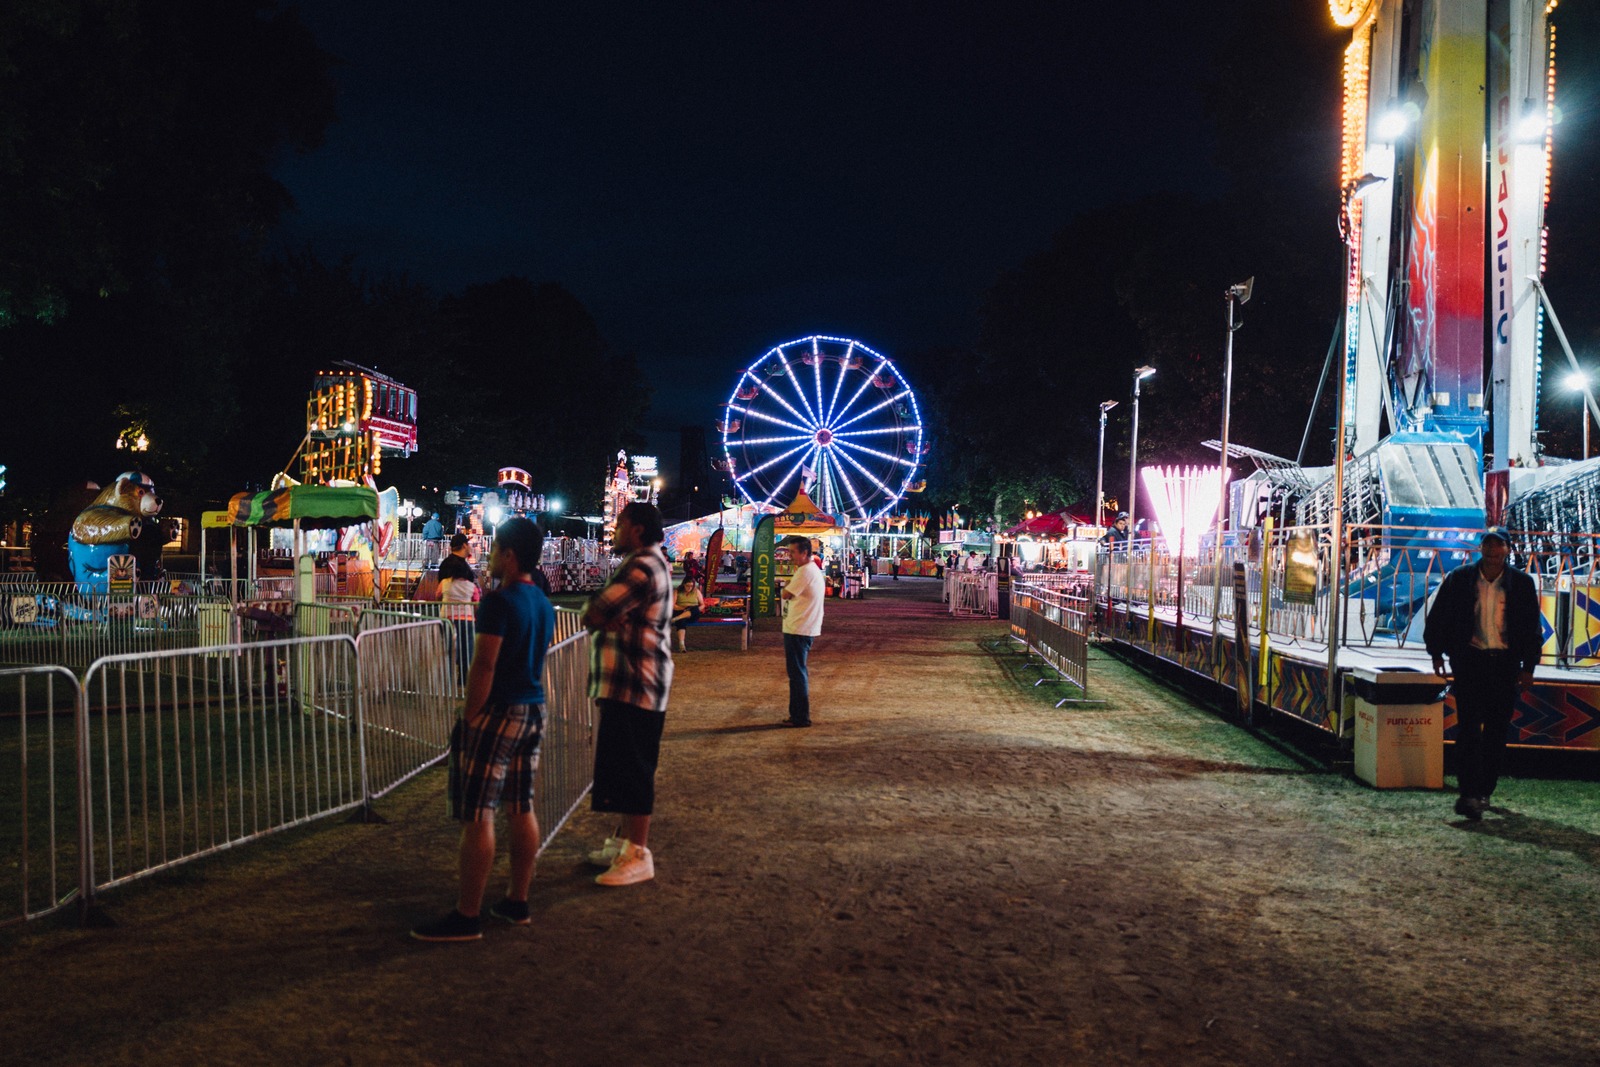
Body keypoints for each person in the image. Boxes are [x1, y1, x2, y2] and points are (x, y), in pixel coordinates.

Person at [411, 517, 556, 942]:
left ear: (509, 555)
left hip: (498, 712)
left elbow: (484, 664)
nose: (488, 558)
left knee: (478, 814)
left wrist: (470, 716)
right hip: (533, 709)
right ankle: (517, 900)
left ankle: (467, 914)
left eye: (494, 551)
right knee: (520, 805)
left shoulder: (498, 602)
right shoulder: (543, 604)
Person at [581, 502, 675, 886]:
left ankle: (638, 852)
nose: (614, 530)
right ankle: (624, 843)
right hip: (633, 682)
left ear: (636, 530)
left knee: (634, 768)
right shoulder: (653, 563)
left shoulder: (641, 567)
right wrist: (606, 615)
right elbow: (604, 612)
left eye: (619, 525)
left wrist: (603, 615)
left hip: (636, 682)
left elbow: (595, 610)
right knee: (624, 765)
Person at [1423, 526, 1542, 822]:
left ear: (1507, 550)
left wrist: (1529, 667)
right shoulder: (1461, 579)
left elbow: (1530, 629)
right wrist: (1436, 653)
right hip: (1470, 663)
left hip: (1504, 666)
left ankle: (1485, 790)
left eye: (1498, 545)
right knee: (1468, 729)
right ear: (1480, 549)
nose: (1492, 550)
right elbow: (1440, 617)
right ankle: (1468, 792)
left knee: (1496, 731)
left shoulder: (1522, 584)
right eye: (1487, 545)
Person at [779, 535, 825, 728]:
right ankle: (797, 714)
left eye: (792, 552)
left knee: (797, 673)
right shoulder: (812, 569)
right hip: (804, 627)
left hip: (798, 627)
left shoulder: (804, 572)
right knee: (798, 672)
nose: (790, 556)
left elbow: (786, 593)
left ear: (804, 553)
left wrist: (784, 587)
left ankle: (800, 716)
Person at [438, 533, 479, 679]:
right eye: (468, 544)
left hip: (447, 614)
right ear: (463, 545)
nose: (470, 548)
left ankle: (451, 679)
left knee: (451, 648)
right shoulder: (459, 567)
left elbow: (439, 592)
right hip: (463, 615)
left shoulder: (446, 564)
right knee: (465, 649)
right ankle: (463, 679)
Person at [671, 576, 704, 651]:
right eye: (687, 586)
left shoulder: (696, 591)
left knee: (694, 608)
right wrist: (683, 608)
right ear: (683, 585)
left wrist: (696, 609)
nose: (689, 588)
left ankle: (676, 618)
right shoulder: (677, 591)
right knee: (681, 621)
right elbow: (673, 605)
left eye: (691, 586)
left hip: (693, 613)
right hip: (680, 610)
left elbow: (702, 605)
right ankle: (681, 644)